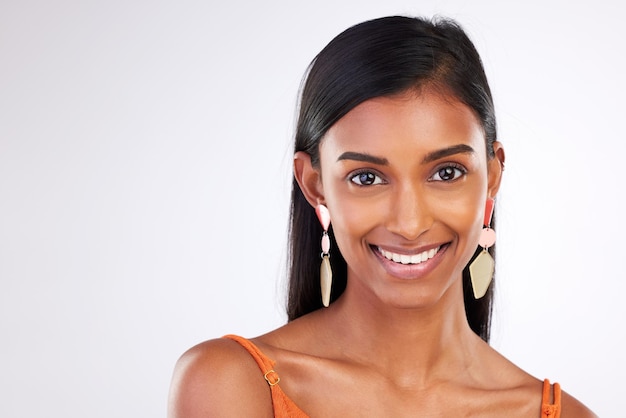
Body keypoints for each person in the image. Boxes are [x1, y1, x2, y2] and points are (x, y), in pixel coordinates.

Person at [168, 16, 596, 417]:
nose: (409, 224)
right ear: (313, 183)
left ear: (493, 175)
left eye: (446, 173)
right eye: (367, 177)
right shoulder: (232, 385)